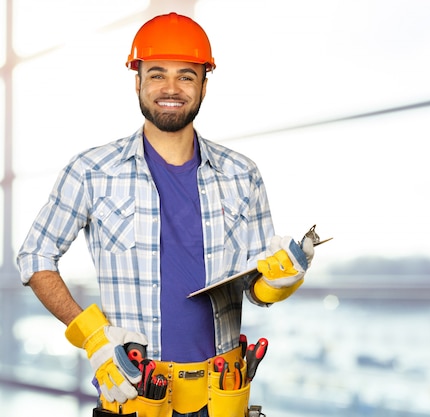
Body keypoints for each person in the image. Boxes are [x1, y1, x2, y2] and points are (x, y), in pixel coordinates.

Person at [17, 12, 314, 417]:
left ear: (204, 86)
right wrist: (94, 338)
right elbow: (34, 257)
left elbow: (255, 289)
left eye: (186, 76)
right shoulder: (91, 171)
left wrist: (282, 281)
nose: (171, 88)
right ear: (137, 81)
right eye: (157, 74)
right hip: (135, 393)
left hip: (222, 397)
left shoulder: (242, 174)